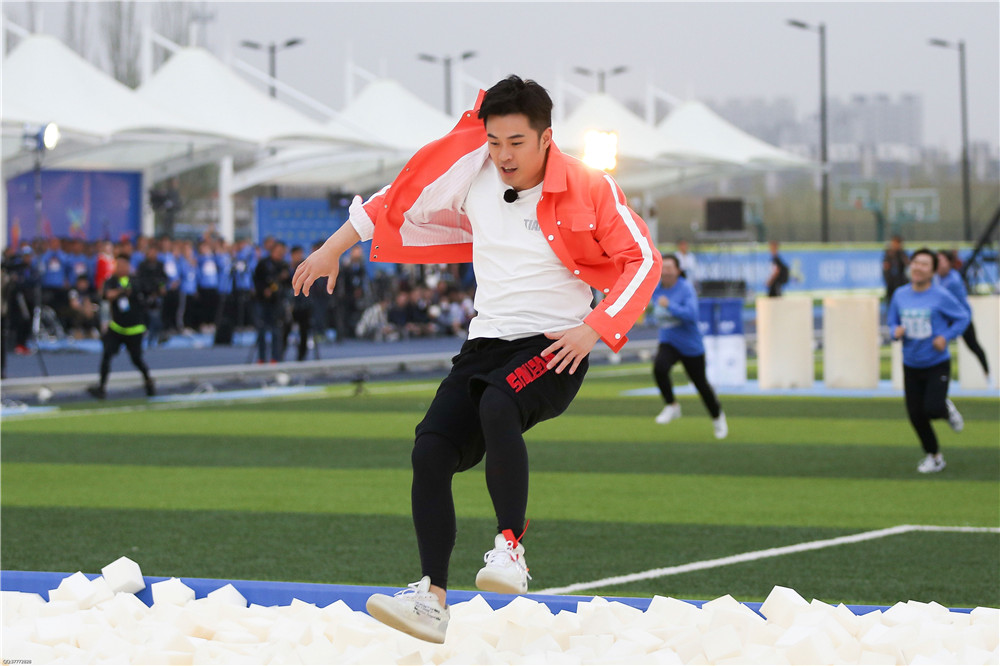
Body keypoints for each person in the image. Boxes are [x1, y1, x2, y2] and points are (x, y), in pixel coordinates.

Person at [292, 75, 660, 644]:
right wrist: (331, 248)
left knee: (498, 402)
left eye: (516, 142)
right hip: (484, 345)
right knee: (430, 450)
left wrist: (593, 329)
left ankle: (511, 549)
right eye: (493, 141)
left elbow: (644, 260)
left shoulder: (590, 187)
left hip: (554, 345)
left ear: (546, 138)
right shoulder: (471, 174)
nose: (503, 155)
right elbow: (396, 197)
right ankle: (432, 599)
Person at [887, 248, 969, 474]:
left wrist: (946, 337)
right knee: (916, 416)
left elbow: (962, 317)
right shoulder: (900, 295)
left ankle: (945, 408)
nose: (918, 267)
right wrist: (895, 331)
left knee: (932, 408)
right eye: (915, 262)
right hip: (911, 364)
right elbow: (892, 321)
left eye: (924, 264)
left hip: (936, 363)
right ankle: (934, 457)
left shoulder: (941, 296)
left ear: (933, 271)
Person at [651, 253, 727, 439]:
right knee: (659, 368)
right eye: (663, 267)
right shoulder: (656, 288)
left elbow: (692, 315)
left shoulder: (685, 288)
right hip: (669, 341)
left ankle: (718, 417)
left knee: (701, 385)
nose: (666, 271)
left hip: (690, 345)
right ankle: (671, 405)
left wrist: (670, 306)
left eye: (670, 268)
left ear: (678, 270)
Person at [87, 254, 155, 399]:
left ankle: (148, 381)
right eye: (117, 265)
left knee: (136, 359)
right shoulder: (111, 281)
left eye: (123, 265)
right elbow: (106, 295)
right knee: (107, 355)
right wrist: (122, 292)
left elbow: (148, 293)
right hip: (117, 327)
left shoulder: (136, 281)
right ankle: (101, 387)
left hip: (134, 328)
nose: (120, 268)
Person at [936, 249, 990, 380]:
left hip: (961, 318)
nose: (939, 263)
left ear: (949, 263)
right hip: (947, 318)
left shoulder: (952, 280)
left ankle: (987, 373)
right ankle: (939, 376)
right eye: (937, 260)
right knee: (938, 346)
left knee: (973, 346)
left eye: (942, 260)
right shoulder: (936, 278)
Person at [253, 240, 290, 363]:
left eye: (282, 252)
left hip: (277, 302)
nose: (280, 254)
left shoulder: (284, 265)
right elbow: (256, 280)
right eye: (278, 251)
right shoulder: (263, 264)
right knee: (261, 330)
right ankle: (261, 357)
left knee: (277, 331)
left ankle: (276, 357)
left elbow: (288, 283)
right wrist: (263, 290)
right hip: (262, 301)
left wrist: (285, 278)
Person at [882, 234, 909, 303]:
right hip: (891, 284)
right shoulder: (888, 255)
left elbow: (907, 265)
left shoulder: (902, 254)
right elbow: (885, 269)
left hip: (901, 282)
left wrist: (900, 254)